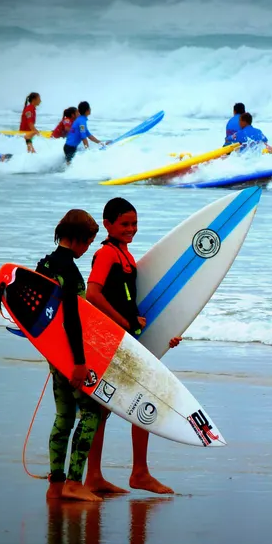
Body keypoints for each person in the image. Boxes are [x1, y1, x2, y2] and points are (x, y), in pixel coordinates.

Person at [84, 197, 183, 495]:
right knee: (128, 402)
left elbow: (129, 301)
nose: (131, 229)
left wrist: (165, 334)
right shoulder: (106, 255)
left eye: (134, 224)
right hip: (111, 340)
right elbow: (93, 294)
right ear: (108, 224)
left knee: (114, 405)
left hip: (127, 338)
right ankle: (129, 474)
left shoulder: (124, 254)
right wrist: (121, 322)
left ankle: (105, 476)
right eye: (125, 224)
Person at [37, 209, 105, 503]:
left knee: (64, 415)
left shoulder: (44, 265)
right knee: (91, 412)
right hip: (70, 353)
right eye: (89, 241)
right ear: (78, 239)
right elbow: (72, 320)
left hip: (52, 351)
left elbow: (38, 316)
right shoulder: (69, 270)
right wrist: (79, 361)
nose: (88, 247)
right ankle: (75, 481)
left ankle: (56, 485)